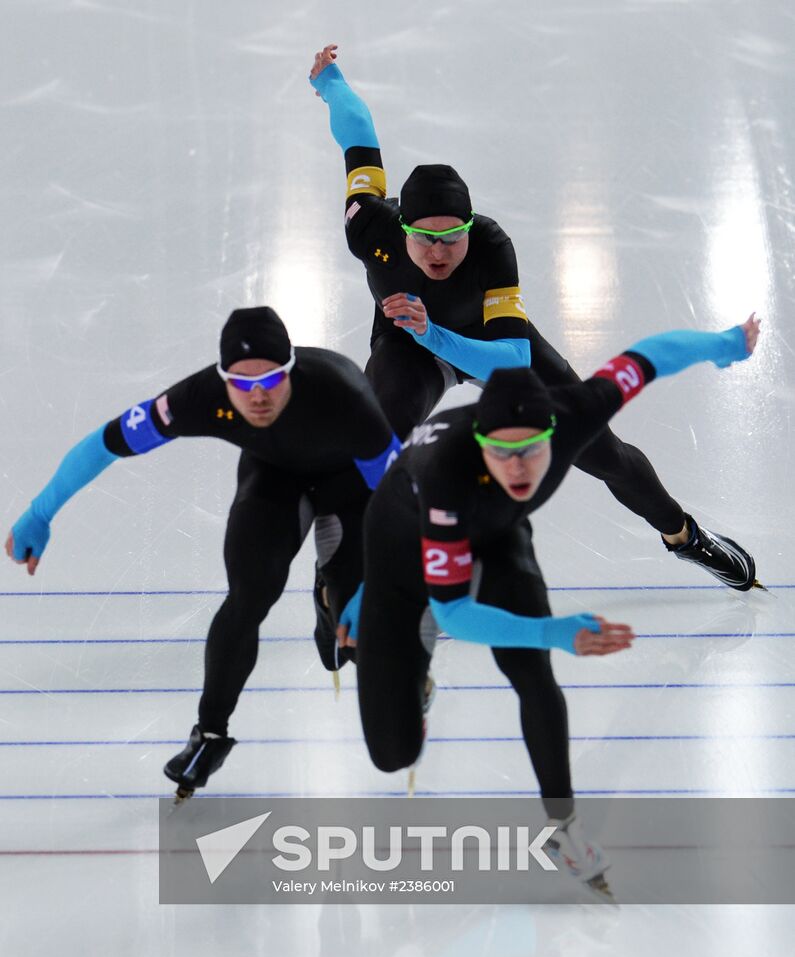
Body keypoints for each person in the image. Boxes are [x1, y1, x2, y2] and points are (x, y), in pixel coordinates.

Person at [309, 43, 759, 592]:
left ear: (469, 229)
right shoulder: (369, 227)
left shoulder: (493, 246)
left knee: (603, 452)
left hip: (485, 344)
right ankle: (364, 573)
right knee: (375, 448)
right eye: (425, 238)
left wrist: (433, 331)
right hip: (407, 349)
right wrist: (330, 81)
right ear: (401, 228)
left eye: (452, 238)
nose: (438, 252)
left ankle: (683, 535)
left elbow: (513, 357)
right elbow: (357, 132)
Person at [338, 314, 761, 897]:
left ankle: (563, 827)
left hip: (495, 532)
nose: (517, 468)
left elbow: (648, 353)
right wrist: (557, 630)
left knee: (534, 676)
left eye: (531, 452)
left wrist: (725, 345)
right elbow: (458, 614)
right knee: (394, 752)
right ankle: (414, 663)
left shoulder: (577, 412)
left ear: (554, 432)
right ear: (480, 441)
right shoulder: (445, 474)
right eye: (502, 453)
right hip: (401, 542)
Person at [5, 306, 400, 797]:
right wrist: (40, 513)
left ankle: (332, 598)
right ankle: (210, 733)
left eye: (272, 379)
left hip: (353, 483)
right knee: (249, 597)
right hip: (272, 479)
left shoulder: (345, 399)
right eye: (240, 382)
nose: (257, 395)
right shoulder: (197, 398)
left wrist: (378, 586)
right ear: (221, 379)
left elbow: (399, 506)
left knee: (360, 634)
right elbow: (104, 444)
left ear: (292, 369)